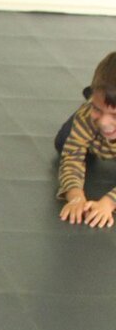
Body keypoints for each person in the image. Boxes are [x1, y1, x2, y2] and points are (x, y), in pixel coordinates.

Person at [55, 52, 116, 228]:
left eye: (114, 114)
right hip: (93, 133)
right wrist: (75, 195)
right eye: (97, 109)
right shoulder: (87, 117)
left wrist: (108, 203)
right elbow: (71, 158)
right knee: (63, 142)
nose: (104, 122)